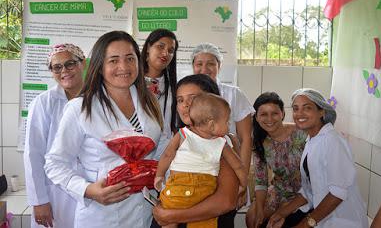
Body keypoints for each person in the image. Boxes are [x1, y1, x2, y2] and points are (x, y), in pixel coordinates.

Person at [44, 31, 164, 228]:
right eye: (113, 60)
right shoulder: (81, 108)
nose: (123, 67)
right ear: (99, 66)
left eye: (130, 59)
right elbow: (54, 163)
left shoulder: (149, 101)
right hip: (101, 216)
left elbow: (160, 148)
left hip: (144, 212)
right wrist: (88, 190)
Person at [267, 88, 368, 228]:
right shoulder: (312, 140)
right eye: (295, 109)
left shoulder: (333, 141)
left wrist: (305, 224)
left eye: (307, 108)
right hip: (325, 219)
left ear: (322, 111)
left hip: (344, 221)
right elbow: (308, 190)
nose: (299, 114)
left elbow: (338, 193)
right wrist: (281, 213)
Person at [152, 74, 240, 228]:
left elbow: (226, 201)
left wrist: (170, 215)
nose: (185, 105)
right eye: (180, 100)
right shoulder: (178, 137)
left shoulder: (221, 142)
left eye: (193, 98)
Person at [24, 43, 86, 228]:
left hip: (89, 191)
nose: (64, 71)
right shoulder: (43, 103)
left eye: (70, 64)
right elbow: (33, 154)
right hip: (54, 194)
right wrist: (38, 200)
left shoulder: (97, 98)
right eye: (57, 67)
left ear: (82, 63)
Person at [191, 43, 254, 208]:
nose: (205, 68)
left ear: (219, 66)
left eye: (211, 63)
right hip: (193, 172)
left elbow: (246, 139)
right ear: (193, 66)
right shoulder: (186, 96)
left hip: (229, 169)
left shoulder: (234, 94)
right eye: (199, 64)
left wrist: (243, 180)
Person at [245, 92, 308, 228]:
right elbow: (261, 181)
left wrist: (284, 210)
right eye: (263, 114)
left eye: (274, 113)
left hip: (305, 193)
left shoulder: (301, 133)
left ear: (283, 114)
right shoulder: (259, 142)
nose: (269, 119)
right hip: (279, 191)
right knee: (252, 218)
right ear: (256, 117)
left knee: (278, 222)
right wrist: (260, 209)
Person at [141, 29, 178, 159]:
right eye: (160, 46)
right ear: (148, 48)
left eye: (171, 50)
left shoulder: (174, 87)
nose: (165, 53)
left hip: (165, 154)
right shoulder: (131, 82)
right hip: (137, 152)